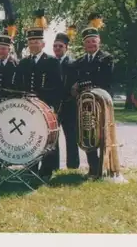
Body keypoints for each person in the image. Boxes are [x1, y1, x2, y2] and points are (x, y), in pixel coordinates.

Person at [15, 9, 63, 180]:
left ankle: (47, 170)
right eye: (31, 41)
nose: (34, 44)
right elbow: (19, 84)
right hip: (28, 107)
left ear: (43, 44)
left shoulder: (52, 62)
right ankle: (32, 168)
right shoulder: (24, 63)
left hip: (46, 106)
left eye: (37, 41)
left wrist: (54, 107)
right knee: (31, 137)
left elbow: (58, 87)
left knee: (48, 138)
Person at [70, 13, 114, 178]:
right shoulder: (79, 62)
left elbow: (104, 80)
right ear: (84, 44)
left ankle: (105, 167)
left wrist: (80, 85)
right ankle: (93, 168)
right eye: (87, 42)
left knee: (102, 135)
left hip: (101, 104)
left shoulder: (106, 59)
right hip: (85, 105)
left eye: (93, 41)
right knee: (87, 134)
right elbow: (73, 79)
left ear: (99, 42)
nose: (90, 44)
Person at [53, 30, 80, 169]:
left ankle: (73, 165)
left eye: (60, 46)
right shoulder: (50, 63)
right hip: (53, 106)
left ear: (66, 48)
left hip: (69, 105)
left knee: (71, 136)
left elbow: (78, 82)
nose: (57, 49)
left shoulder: (74, 64)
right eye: (55, 46)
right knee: (53, 137)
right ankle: (54, 165)